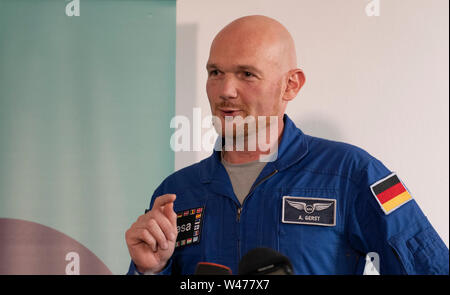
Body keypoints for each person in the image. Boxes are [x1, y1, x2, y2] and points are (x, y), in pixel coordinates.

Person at [125, 15, 448, 275]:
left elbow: (430, 267)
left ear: (290, 85)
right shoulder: (177, 191)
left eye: (247, 74)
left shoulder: (353, 173)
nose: (226, 90)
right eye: (216, 72)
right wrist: (149, 271)